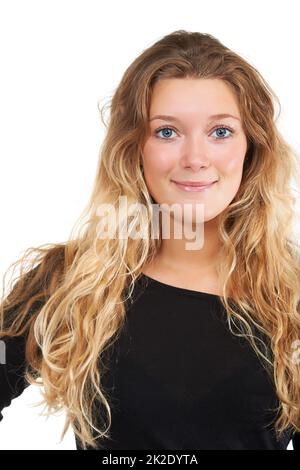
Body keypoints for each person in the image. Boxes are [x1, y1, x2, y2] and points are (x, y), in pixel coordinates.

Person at [1, 29, 300, 450]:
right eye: (166, 132)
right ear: (133, 147)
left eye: (220, 132)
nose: (195, 159)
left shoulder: (291, 295)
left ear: (253, 146)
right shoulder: (69, 281)